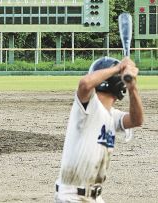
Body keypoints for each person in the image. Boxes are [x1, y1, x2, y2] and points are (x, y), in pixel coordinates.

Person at [54, 56, 144, 203]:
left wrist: (132, 88)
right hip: (72, 197)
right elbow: (85, 84)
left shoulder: (112, 115)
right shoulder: (88, 106)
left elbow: (137, 120)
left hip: (95, 197)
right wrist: (118, 68)